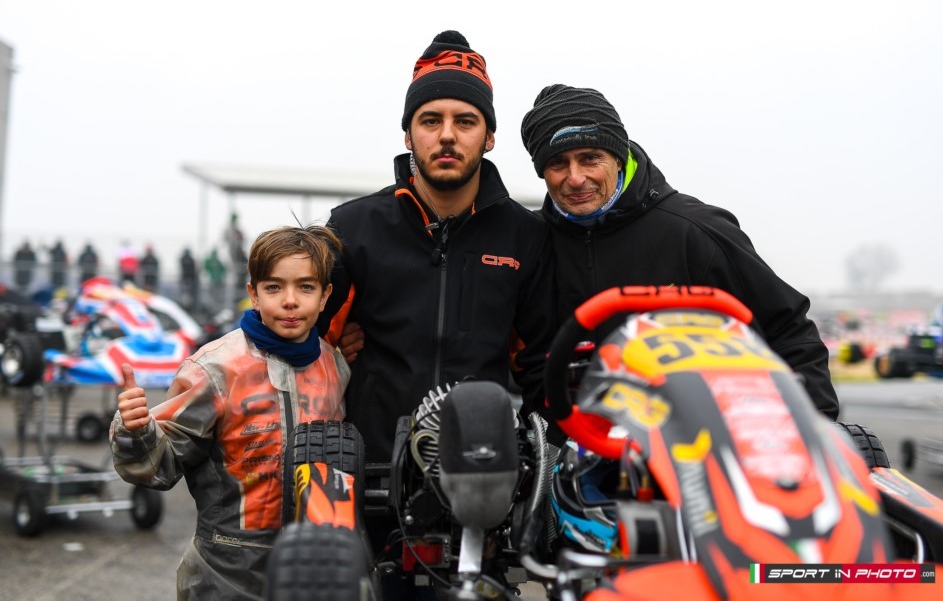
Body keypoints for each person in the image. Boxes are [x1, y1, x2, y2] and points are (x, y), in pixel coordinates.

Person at [519, 84, 838, 419]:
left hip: (692, 436)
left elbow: (787, 332)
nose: (575, 177)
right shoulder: (530, 241)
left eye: (590, 158)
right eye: (558, 163)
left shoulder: (696, 230)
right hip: (566, 437)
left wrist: (815, 428)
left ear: (618, 157)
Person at [317, 30, 559, 467]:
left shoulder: (526, 236)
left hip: (483, 473)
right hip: (369, 474)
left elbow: (541, 371)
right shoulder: (352, 228)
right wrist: (334, 355)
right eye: (431, 121)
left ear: (489, 136)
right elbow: (298, 341)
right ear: (408, 135)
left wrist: (536, 463)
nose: (447, 135)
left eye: (465, 121)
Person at [110, 224, 350, 600]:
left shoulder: (336, 368)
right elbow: (159, 466)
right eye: (274, 287)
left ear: (324, 297)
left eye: (305, 287)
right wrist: (136, 429)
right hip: (225, 573)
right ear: (253, 294)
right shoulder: (215, 368)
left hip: (312, 570)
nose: (290, 301)